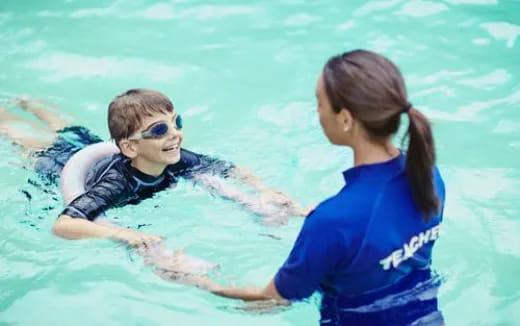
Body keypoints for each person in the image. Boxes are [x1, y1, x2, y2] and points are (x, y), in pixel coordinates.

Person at [189, 50, 447, 325]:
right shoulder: (428, 174)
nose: (318, 112)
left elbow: (272, 302)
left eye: (319, 102)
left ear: (346, 119)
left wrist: (195, 280)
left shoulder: (332, 221)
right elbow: (380, 238)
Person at [0, 89, 306, 249]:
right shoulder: (116, 184)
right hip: (59, 164)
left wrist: (263, 190)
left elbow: (231, 169)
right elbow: (63, 225)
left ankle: (29, 102)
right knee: (18, 134)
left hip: (92, 149)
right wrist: (122, 234)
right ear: (131, 147)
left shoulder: (176, 156)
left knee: (71, 129)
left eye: (177, 122)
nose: (175, 134)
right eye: (160, 129)